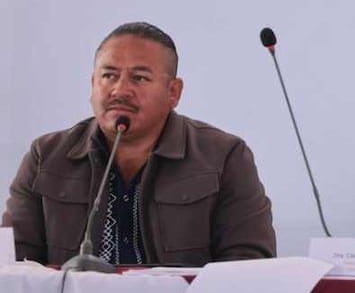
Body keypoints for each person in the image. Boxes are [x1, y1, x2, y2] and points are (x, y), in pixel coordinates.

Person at [2, 21, 276, 267]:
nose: (120, 90)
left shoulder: (224, 157)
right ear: (93, 83)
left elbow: (250, 266)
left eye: (139, 78)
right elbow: (12, 264)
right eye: (109, 75)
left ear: (173, 92)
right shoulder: (47, 157)